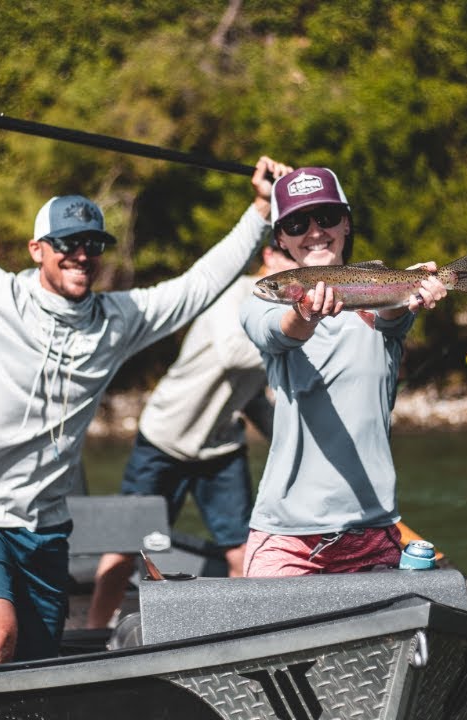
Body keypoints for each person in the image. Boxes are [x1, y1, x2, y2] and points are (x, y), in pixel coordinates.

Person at [0, 93, 291, 664]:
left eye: (94, 245)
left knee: (34, 659)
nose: (82, 255)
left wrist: (259, 214)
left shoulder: (116, 322)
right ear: (37, 250)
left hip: (47, 528)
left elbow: (199, 284)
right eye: (67, 244)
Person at [238, 167, 448, 577]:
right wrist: (304, 313)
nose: (315, 231)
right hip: (286, 538)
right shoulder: (263, 304)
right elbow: (280, 332)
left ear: (346, 223)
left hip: (373, 531)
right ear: (280, 238)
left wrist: (416, 286)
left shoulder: (381, 304)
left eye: (327, 218)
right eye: (298, 223)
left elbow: (390, 314)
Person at [85, 241, 299, 629]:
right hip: (164, 440)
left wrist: (296, 444)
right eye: (288, 259)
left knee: (242, 554)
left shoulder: (290, 321)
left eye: (302, 265)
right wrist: (307, 336)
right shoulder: (237, 295)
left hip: (219, 449)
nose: (295, 272)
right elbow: (234, 353)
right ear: (268, 257)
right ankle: (92, 633)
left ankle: (239, 637)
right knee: (125, 547)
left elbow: (250, 396)